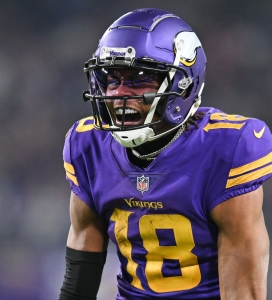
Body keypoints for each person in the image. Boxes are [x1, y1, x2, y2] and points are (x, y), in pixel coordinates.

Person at [58, 8, 272, 300]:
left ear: (182, 84)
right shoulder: (88, 146)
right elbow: (78, 285)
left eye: (138, 79)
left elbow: (244, 293)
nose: (120, 93)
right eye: (111, 79)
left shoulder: (228, 148)